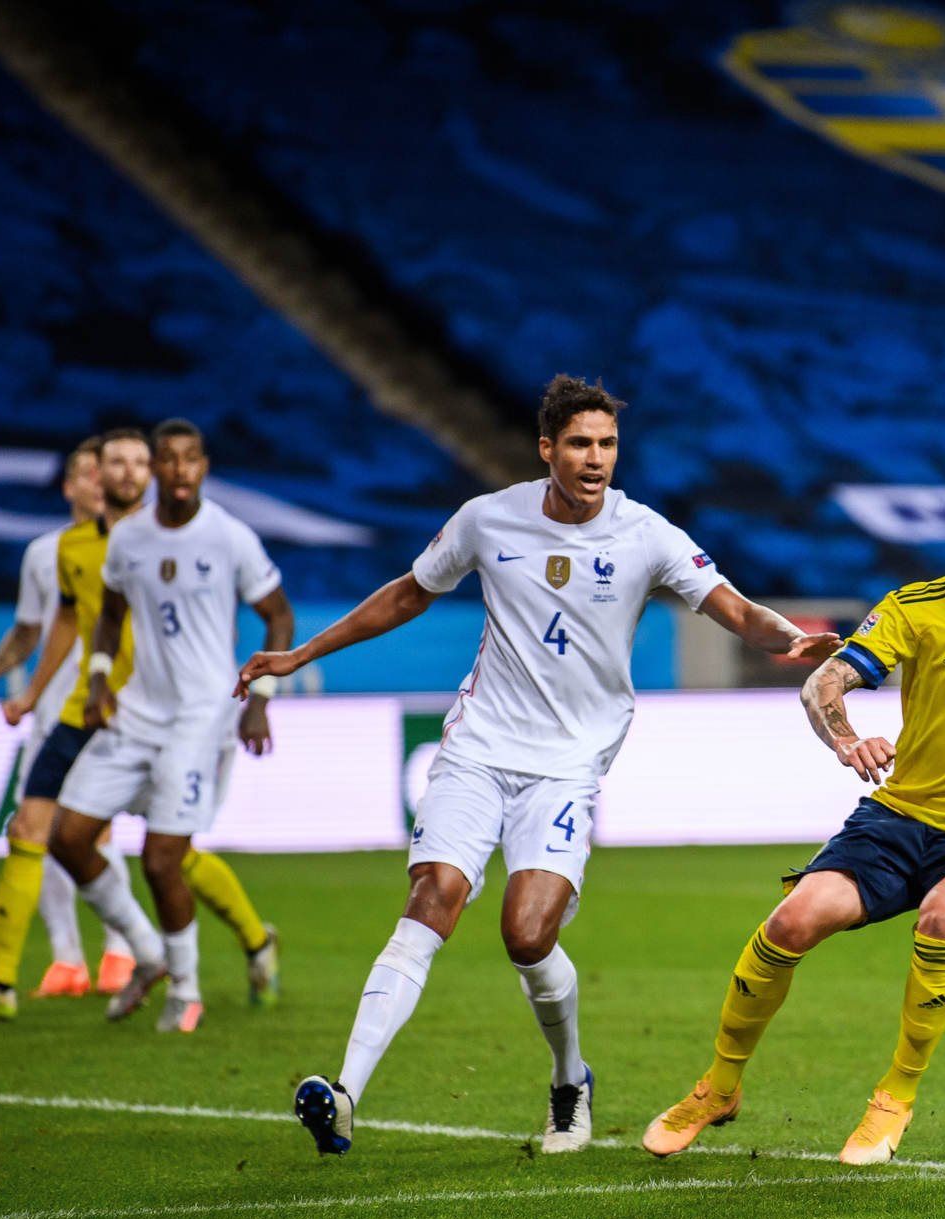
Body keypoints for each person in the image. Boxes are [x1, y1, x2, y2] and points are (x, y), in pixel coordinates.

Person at [244, 374, 835, 1158]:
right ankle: (346, 1093)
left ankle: (569, 1082)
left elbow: (732, 608)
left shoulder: (645, 533)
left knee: (527, 935)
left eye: (609, 444)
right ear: (547, 449)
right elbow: (407, 595)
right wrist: (303, 652)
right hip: (478, 748)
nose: (597, 459)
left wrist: (790, 638)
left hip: (566, 766)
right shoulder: (489, 520)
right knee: (434, 895)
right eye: (582, 444)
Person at [644, 468, 945, 1165]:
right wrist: (845, 736)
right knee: (791, 920)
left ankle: (894, 1097)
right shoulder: (914, 607)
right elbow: (824, 681)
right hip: (900, 817)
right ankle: (719, 1085)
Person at [47, 419, 296, 1035]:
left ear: (203, 468)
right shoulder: (128, 538)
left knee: (163, 860)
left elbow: (279, 616)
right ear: (156, 469)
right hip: (135, 711)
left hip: (201, 717)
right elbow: (109, 612)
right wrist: (101, 677)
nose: (180, 470)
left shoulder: (229, 537)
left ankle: (185, 990)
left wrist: (260, 699)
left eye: (191, 460)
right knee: (66, 837)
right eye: (169, 460)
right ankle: (147, 951)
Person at [0, 439, 135, 1019]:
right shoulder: (46, 553)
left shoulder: (138, 543)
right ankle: (66, 959)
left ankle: (126, 950)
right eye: (88, 473)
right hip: (57, 712)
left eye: (108, 471)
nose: (100, 481)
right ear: (69, 486)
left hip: (118, 711)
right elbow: (36, 630)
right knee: (34, 831)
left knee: (95, 836)